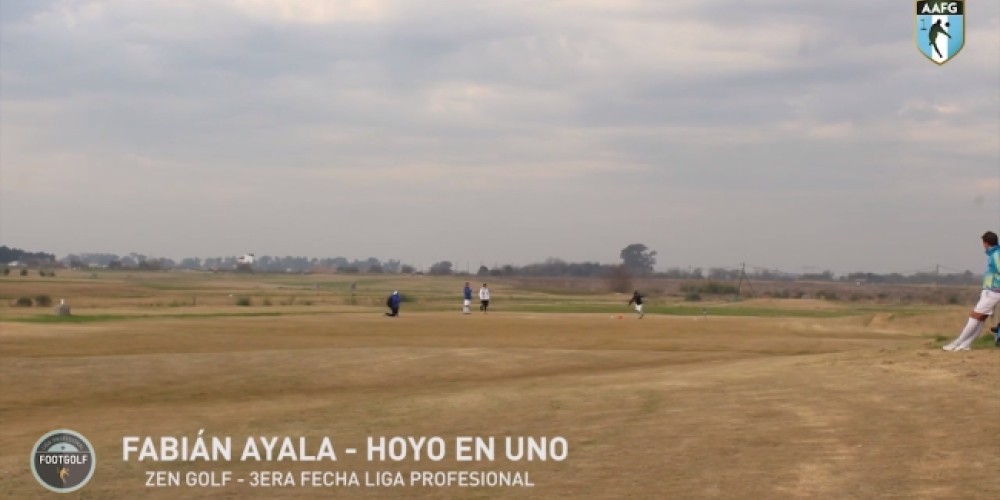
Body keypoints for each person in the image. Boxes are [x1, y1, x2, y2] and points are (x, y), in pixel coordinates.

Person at [943, 231, 1000, 351]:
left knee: (975, 316)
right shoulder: (994, 253)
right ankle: (966, 344)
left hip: (993, 291)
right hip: (991, 291)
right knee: (980, 319)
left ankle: (958, 342)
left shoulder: (996, 254)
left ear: (986, 242)